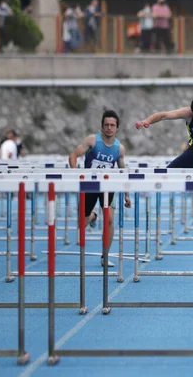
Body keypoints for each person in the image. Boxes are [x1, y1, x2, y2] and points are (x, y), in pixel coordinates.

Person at [68, 110, 132, 267]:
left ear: (117, 127)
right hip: (90, 184)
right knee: (81, 223)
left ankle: (105, 256)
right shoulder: (92, 140)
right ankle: (93, 217)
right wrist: (77, 176)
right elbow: (73, 156)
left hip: (109, 186)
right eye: (106, 125)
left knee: (110, 220)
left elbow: (123, 172)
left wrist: (127, 195)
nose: (109, 128)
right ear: (102, 126)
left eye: (112, 125)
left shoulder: (119, 149)